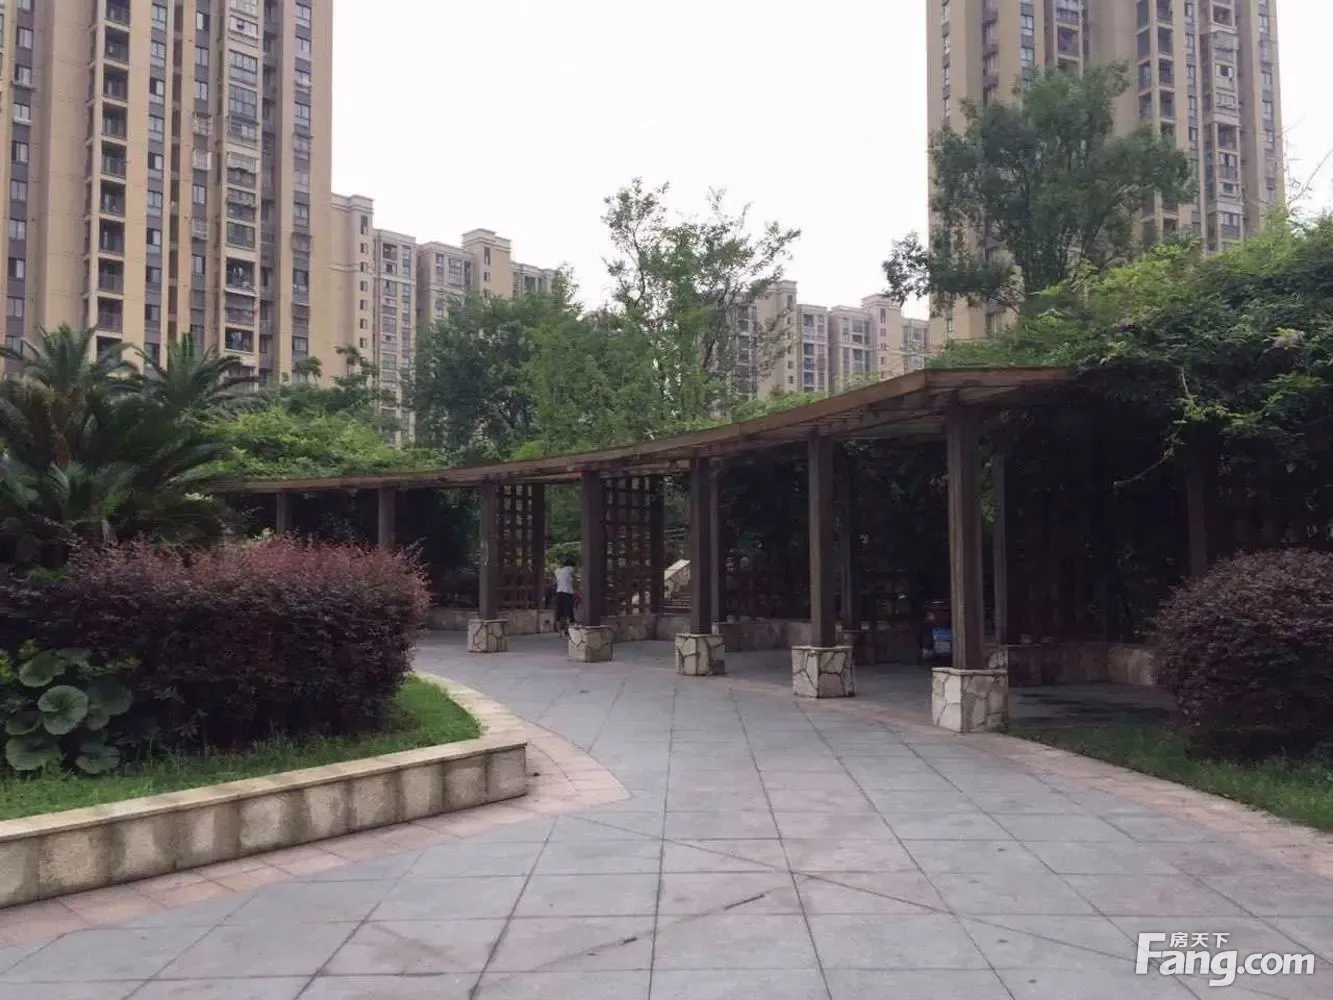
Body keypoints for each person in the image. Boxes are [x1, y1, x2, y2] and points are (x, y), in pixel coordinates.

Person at [553, 558, 577, 635]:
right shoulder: (569, 569)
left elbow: (555, 581)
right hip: (567, 593)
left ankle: (559, 632)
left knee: (559, 612)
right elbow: (573, 581)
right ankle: (569, 630)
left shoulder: (558, 571)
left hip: (559, 593)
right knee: (569, 612)